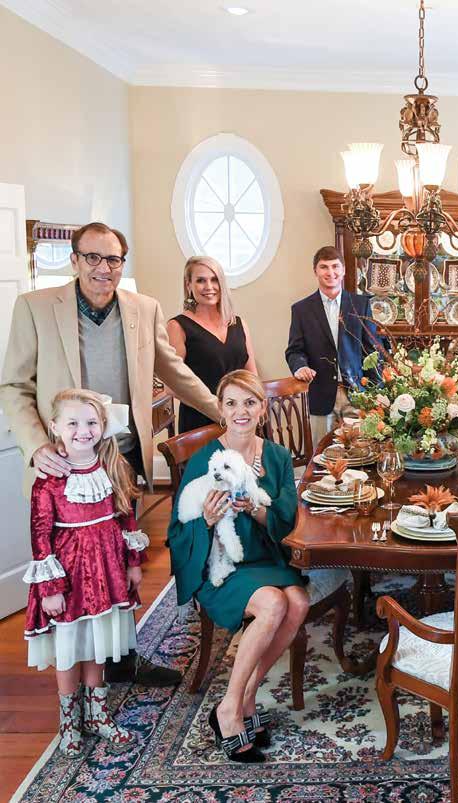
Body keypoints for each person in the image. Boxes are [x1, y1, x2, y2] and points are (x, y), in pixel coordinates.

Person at [0, 221, 220, 687]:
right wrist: (37, 446)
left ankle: (122, 659)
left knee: (121, 562)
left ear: (123, 263)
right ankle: (76, 672)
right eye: (93, 257)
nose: (104, 268)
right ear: (75, 260)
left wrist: (224, 410)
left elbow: (174, 371)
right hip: (65, 466)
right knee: (73, 570)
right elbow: (14, 385)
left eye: (113, 259)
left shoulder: (144, 308)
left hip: (121, 462)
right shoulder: (36, 307)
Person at [167, 370, 309, 762]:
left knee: (298, 603)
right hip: (221, 564)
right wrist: (207, 520)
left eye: (249, 402)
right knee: (274, 605)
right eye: (231, 403)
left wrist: (256, 510)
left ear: (262, 408)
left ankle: (247, 696)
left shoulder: (277, 456)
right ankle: (230, 707)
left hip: (266, 557)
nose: (240, 411)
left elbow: (287, 519)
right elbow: (177, 531)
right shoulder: (207, 459)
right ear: (221, 409)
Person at [24, 390, 148, 756]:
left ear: (103, 425)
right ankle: (70, 720)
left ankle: (97, 714)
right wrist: (50, 587)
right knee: (69, 647)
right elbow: (40, 536)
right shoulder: (49, 481)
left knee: (97, 642)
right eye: (73, 423)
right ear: (55, 427)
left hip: (107, 571)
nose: (83, 431)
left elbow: (126, 518)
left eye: (92, 422)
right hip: (70, 577)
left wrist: (133, 562)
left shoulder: (113, 467)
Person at [285, 246, 383, 447]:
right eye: (324, 267)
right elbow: (294, 350)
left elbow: (372, 350)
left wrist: (376, 391)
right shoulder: (301, 310)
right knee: (321, 453)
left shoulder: (360, 304)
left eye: (335, 266)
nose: (330, 272)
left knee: (361, 452)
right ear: (315, 271)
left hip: (356, 393)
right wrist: (299, 366)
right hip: (320, 395)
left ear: (343, 270)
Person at [166, 255, 257, 433]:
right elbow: (172, 386)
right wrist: (216, 409)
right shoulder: (177, 326)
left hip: (241, 420)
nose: (209, 286)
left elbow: (252, 375)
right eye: (200, 280)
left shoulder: (238, 323)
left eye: (214, 279)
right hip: (200, 423)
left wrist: (255, 406)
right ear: (188, 285)